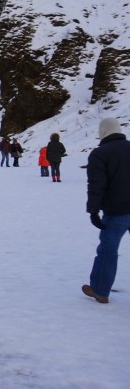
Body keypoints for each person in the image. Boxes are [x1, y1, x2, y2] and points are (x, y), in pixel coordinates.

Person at [83, 117, 130, 304]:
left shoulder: (100, 154)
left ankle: (100, 290)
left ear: (102, 132)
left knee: (107, 252)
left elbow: (96, 185)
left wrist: (93, 210)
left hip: (116, 212)